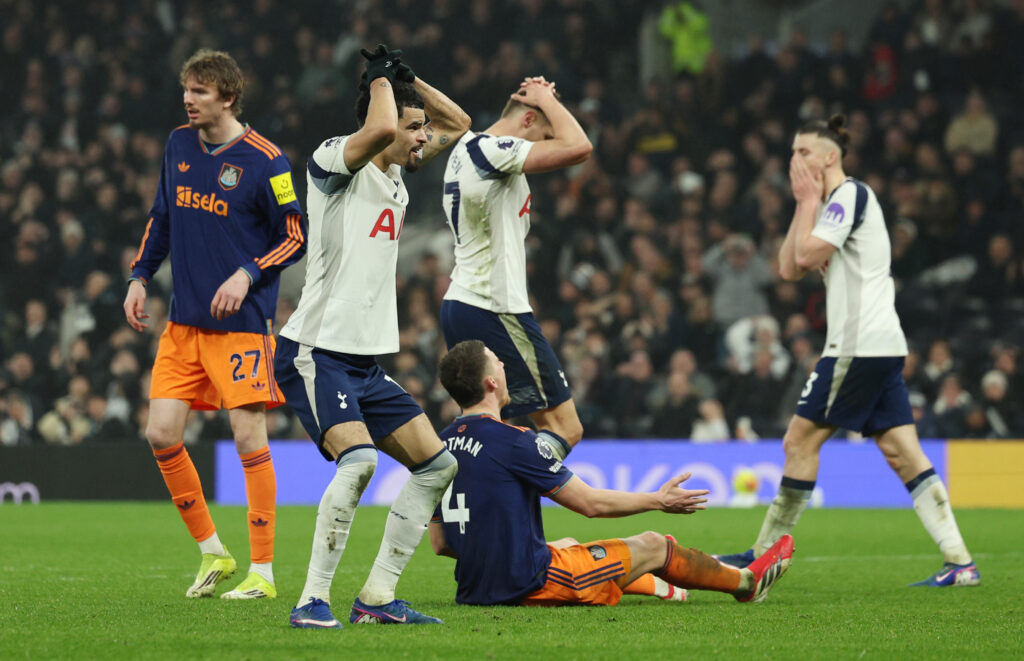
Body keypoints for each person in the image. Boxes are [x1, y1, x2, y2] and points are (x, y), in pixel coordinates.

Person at [715, 115, 979, 588]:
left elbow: (804, 257)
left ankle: (759, 558)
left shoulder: (849, 196)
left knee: (799, 442)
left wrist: (810, 202)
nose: (795, 161)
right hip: (880, 345)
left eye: (804, 153)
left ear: (829, 156)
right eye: (793, 152)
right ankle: (960, 563)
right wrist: (803, 205)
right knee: (903, 453)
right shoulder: (827, 204)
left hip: (857, 346)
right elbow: (788, 269)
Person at [274, 45, 471, 629]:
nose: (421, 138)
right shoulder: (335, 163)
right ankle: (312, 600)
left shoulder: (396, 176)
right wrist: (382, 83)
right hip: (316, 351)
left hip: (364, 362)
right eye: (414, 130)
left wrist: (409, 78)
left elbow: (458, 124)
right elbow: (383, 124)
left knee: (437, 467)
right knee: (358, 462)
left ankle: (377, 598)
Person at [124, 49, 307, 599]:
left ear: (227, 97)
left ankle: (265, 573)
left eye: (200, 91)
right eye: (187, 89)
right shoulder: (179, 144)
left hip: (242, 326)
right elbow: (162, 216)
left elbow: (294, 236)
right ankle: (213, 553)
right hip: (184, 323)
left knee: (248, 436)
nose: (189, 98)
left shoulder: (266, 159)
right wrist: (139, 277)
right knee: (160, 434)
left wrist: (247, 275)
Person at [429, 339, 794, 607]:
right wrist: (657, 499)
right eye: (497, 362)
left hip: (473, 590)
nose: (504, 367)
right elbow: (590, 504)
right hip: (530, 585)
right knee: (655, 544)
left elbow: (442, 543)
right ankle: (747, 583)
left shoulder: (438, 446)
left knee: (568, 545)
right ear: (491, 383)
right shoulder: (514, 441)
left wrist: (496, 559)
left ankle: (661, 587)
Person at [438, 76, 592, 466]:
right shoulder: (492, 150)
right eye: (541, 135)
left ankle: (471, 508)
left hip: (462, 302)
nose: (541, 147)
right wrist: (546, 102)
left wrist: (544, 98)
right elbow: (579, 147)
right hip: (495, 306)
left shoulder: (466, 149)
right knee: (565, 428)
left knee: (486, 429)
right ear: (526, 122)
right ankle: (512, 496)